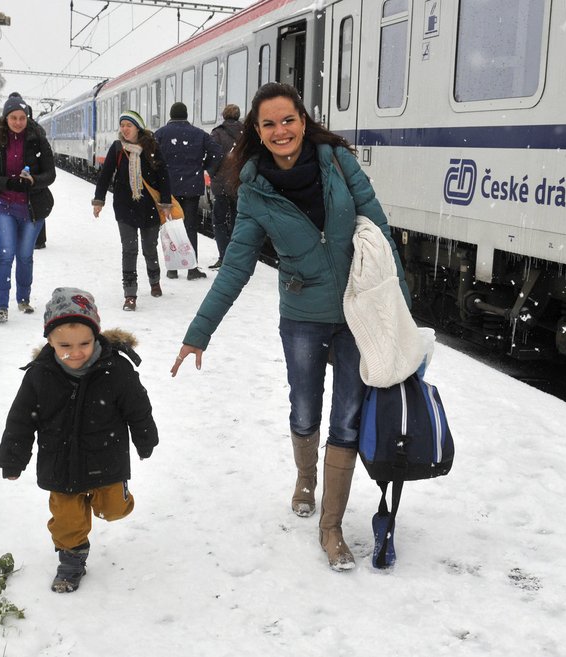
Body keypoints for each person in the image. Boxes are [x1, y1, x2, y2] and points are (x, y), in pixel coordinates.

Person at [169, 82, 411, 572]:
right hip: (301, 315)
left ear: (303, 119)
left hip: (356, 312)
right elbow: (236, 266)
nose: (281, 131)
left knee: (346, 419)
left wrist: (401, 308)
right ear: (256, 132)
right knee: (304, 409)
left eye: (288, 120)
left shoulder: (338, 163)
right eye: (269, 124)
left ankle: (331, 526)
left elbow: (380, 233)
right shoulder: (255, 189)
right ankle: (305, 479)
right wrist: (199, 333)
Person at [0, 287, 159, 593]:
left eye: (84, 343)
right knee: (66, 520)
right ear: (49, 341)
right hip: (60, 464)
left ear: (96, 336)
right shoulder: (39, 375)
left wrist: (145, 438)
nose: (76, 352)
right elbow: (20, 420)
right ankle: (72, 559)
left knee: (113, 510)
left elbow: (138, 407)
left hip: (106, 458)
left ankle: (114, 497)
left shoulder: (116, 369)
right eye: (65, 345)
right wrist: (12, 458)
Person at [0, 93, 56, 324]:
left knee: (25, 256)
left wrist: (33, 180)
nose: (18, 122)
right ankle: (0, 306)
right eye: (13, 117)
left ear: (27, 118)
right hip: (2, 204)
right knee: (5, 255)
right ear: (6, 118)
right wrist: (7, 183)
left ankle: (23, 299)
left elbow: (50, 174)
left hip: (31, 207)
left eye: (22, 118)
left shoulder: (38, 140)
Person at [92, 110, 173, 312]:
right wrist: (99, 200)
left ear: (138, 127)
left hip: (149, 208)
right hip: (125, 206)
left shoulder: (152, 146)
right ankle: (130, 294)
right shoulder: (118, 148)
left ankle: (154, 280)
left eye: (129, 125)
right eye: (122, 125)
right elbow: (105, 175)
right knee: (129, 250)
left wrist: (165, 202)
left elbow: (163, 175)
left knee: (149, 247)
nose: (124, 129)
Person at [154, 101, 222, 280]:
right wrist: (204, 167)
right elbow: (217, 152)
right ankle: (192, 268)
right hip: (191, 186)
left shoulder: (161, 134)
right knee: (190, 226)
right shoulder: (199, 134)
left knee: (170, 225)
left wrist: (159, 172)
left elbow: (150, 155)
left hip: (168, 187)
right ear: (186, 115)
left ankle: (172, 269)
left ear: (171, 115)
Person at [208, 104, 243, 269]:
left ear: (224, 115)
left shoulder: (217, 133)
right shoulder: (246, 133)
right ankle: (236, 257)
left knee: (219, 221)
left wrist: (214, 173)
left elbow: (213, 157)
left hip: (221, 185)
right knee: (238, 221)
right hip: (240, 184)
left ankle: (224, 256)